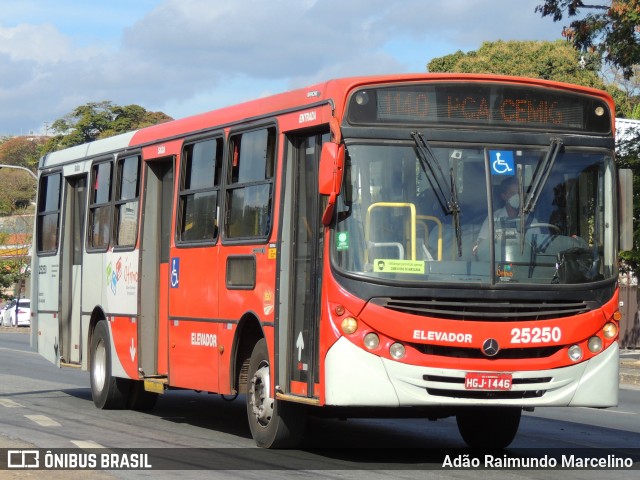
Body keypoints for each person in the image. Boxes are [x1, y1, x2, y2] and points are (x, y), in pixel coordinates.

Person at [473, 176, 538, 255]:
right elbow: (480, 247)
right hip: (496, 264)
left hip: (525, 265)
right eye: (512, 193)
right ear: (504, 196)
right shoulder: (493, 219)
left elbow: (538, 250)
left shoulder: (531, 221)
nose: (517, 196)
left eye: (519, 193)